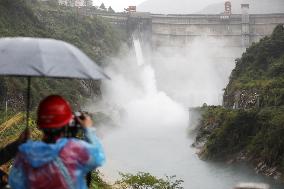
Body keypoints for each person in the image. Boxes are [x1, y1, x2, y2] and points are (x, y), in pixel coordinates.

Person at [8, 95, 105, 189]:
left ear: (39, 125)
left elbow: (15, 183)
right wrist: (88, 129)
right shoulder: (75, 149)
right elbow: (99, 157)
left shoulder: (26, 152)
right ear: (67, 123)